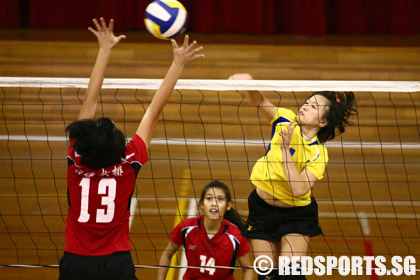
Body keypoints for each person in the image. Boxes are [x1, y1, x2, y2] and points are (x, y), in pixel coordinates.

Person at [59, 17, 204, 280]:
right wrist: (178, 64)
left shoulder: (77, 158)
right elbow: (154, 111)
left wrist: (104, 50)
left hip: (76, 262)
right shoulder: (128, 162)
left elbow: (89, 102)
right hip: (116, 263)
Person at [229, 73, 357, 280]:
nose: (305, 106)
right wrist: (249, 84)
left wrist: (286, 149)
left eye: (314, 106)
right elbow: (260, 101)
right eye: (307, 102)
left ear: (323, 122)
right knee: (267, 276)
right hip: (262, 210)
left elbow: (299, 190)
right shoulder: (285, 119)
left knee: (290, 276)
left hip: (296, 216)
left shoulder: (318, 153)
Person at [158, 180, 253, 280]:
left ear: (228, 205)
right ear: (201, 204)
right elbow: (167, 255)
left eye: (220, 199)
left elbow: (247, 269)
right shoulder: (186, 228)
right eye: (209, 198)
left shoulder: (236, 236)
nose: (214, 203)